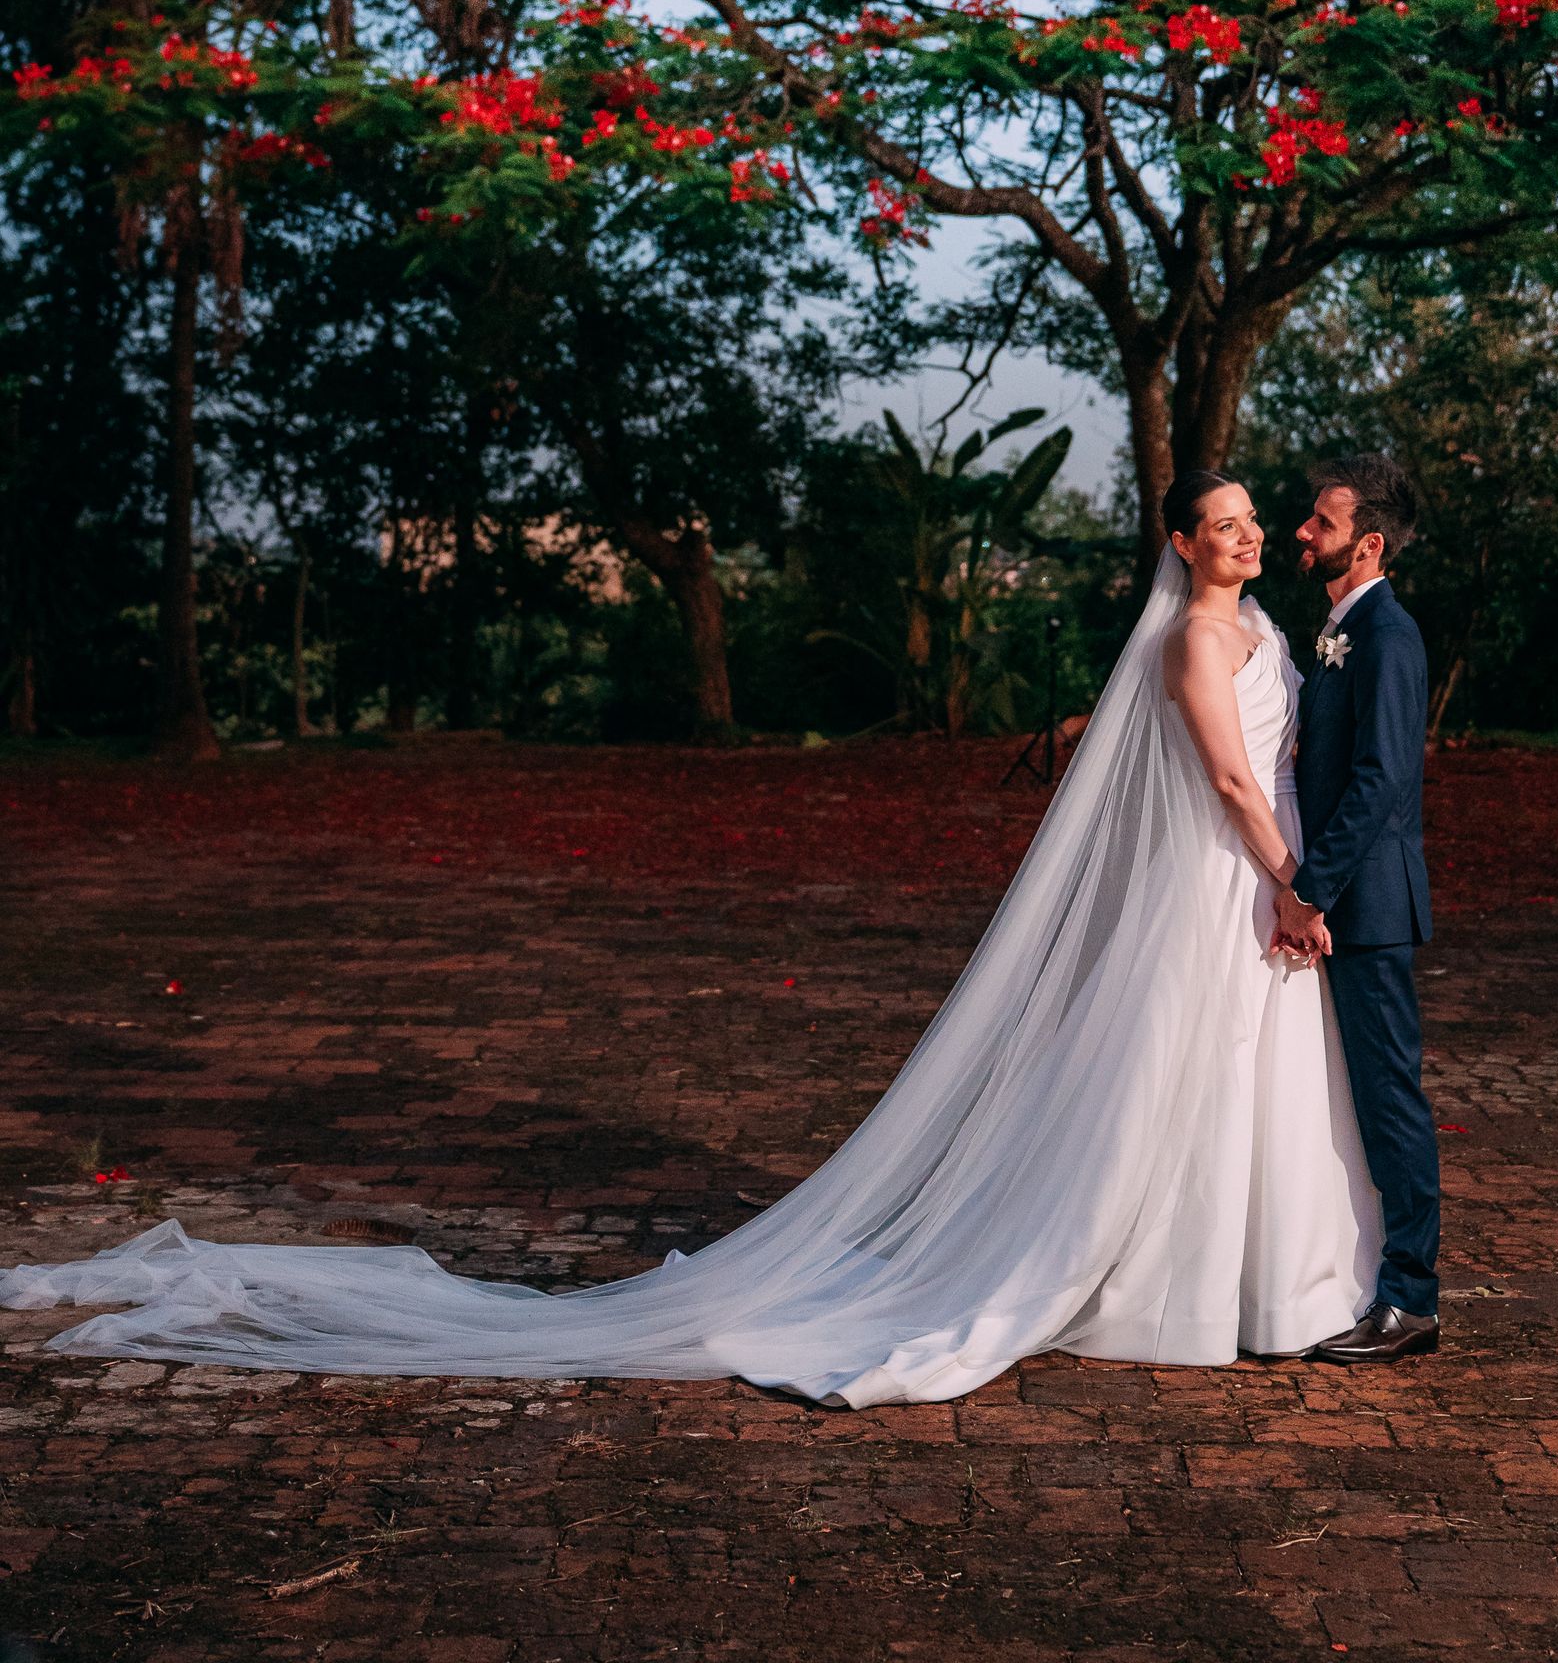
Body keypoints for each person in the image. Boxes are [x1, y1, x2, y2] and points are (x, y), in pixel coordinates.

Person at [0, 472, 1383, 1402]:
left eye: (1257, 519)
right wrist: (1289, 883)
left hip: (1246, 884)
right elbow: (1219, 782)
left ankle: (1260, 1279)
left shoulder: (1259, 623)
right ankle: (1165, 1282)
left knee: (1235, 1085)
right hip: (1232, 876)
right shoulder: (1195, 645)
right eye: (1226, 524)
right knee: (1177, 1078)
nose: (1250, 535)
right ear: (1179, 544)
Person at [1275, 453, 1442, 1362]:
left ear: (1368, 543)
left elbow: (1381, 780)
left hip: (1368, 907)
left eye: (1322, 523)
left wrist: (1309, 890)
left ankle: (1411, 1299)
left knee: (1390, 1101)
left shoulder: (1388, 635)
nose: (1304, 532)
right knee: (1358, 1098)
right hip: (1351, 901)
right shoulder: (1341, 628)